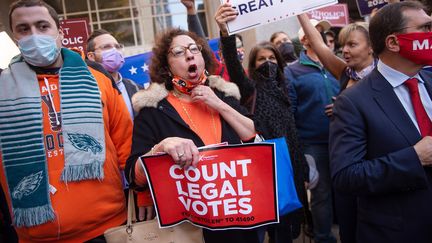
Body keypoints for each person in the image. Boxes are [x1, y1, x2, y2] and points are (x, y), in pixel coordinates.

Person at [0, 0, 133, 242]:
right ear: (14, 37)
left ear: (60, 33)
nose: (34, 35)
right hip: (36, 235)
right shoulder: (2, 90)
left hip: (108, 228)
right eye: (23, 29)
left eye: (42, 26)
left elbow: (127, 144)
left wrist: (141, 194)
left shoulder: (98, 79)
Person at [125, 28, 259, 243]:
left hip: (239, 222)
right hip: (189, 230)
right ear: (166, 67)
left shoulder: (224, 95)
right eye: (177, 52)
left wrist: (219, 104)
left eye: (194, 49)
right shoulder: (153, 111)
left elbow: (253, 136)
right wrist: (160, 148)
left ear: (203, 58)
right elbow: (134, 175)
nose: (188, 55)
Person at [329, 2, 432, 243]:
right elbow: (346, 176)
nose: (430, 34)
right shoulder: (353, 102)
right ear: (393, 43)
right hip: (399, 233)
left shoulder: (429, 78)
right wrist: (414, 158)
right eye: (425, 28)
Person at [215, 3, 310, 243]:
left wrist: (303, 170)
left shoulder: (285, 88)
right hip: (266, 165)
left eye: (271, 58)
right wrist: (225, 31)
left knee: (291, 224)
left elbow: (292, 132)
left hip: (292, 163)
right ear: (253, 65)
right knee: (274, 225)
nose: (267, 63)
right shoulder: (249, 88)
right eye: (261, 59)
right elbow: (232, 64)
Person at [297, 13, 377, 242]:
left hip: (371, 169)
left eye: (352, 44)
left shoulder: (384, 79)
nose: (345, 50)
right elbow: (319, 44)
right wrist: (299, 11)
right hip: (344, 165)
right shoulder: (345, 73)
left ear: (372, 47)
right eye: (343, 45)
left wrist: (347, 107)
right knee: (348, 228)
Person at [284, 17, 339, 243]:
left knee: (346, 192)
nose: (323, 37)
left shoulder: (336, 64)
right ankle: (324, 238)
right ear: (305, 39)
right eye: (316, 32)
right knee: (321, 194)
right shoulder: (292, 71)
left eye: (324, 33)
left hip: (343, 140)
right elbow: (291, 111)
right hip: (313, 145)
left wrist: (342, 104)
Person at [87, 29, 143, 120]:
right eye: (106, 47)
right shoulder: (87, 90)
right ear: (91, 56)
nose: (114, 50)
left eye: (117, 46)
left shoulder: (136, 88)